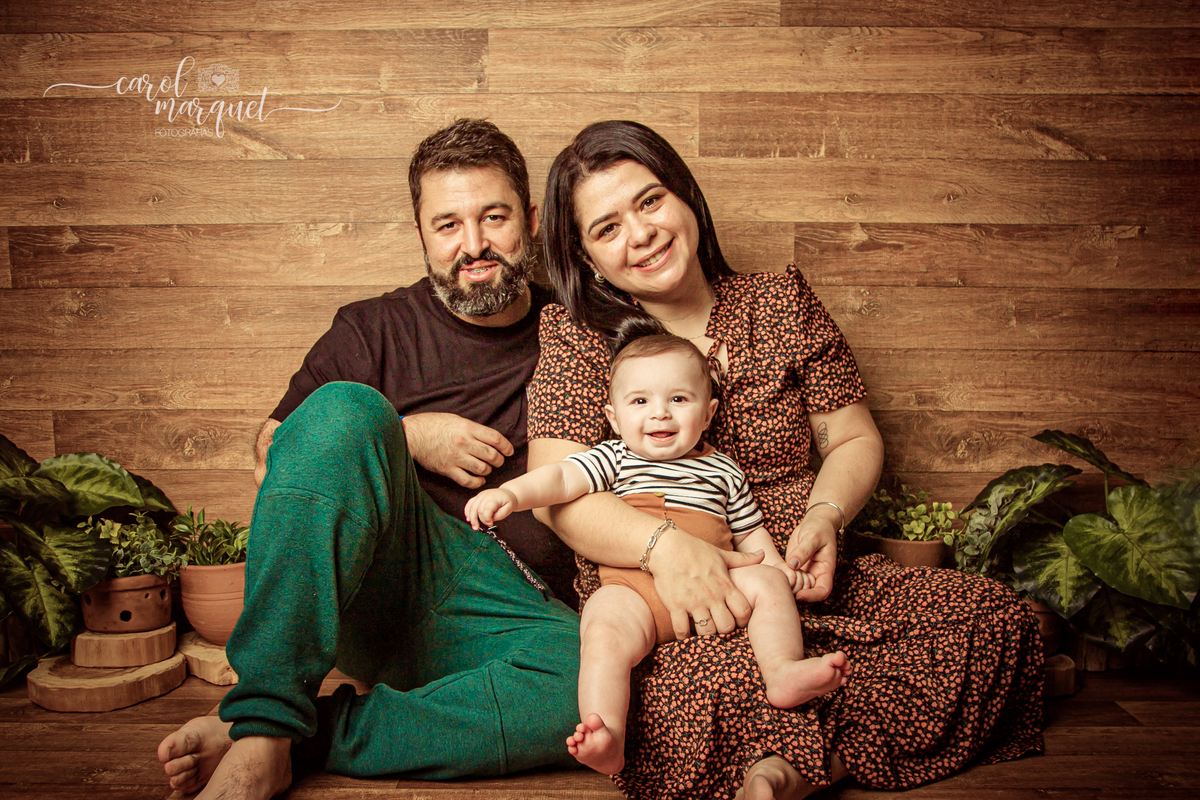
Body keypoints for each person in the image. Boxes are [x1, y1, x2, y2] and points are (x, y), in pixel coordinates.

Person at [528, 120, 1045, 800]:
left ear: (686, 197)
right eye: (607, 227)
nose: (641, 233)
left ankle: (793, 768)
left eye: (650, 201)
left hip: (800, 575)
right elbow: (558, 493)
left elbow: (852, 438)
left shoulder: (780, 301)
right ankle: (785, 765)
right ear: (589, 259)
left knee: (991, 618)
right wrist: (667, 550)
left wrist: (825, 519)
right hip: (670, 601)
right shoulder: (577, 337)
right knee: (691, 689)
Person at [155, 119, 582, 800]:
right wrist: (408, 435)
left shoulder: (578, 329)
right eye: (447, 225)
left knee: (594, 690)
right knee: (343, 408)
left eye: (493, 217)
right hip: (387, 583)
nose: (472, 246)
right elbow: (275, 452)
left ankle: (299, 736)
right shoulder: (373, 328)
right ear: (420, 234)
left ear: (529, 220)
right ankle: (261, 727)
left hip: (515, 614)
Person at [466, 333, 851, 775]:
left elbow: (751, 534)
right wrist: (511, 495)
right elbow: (558, 479)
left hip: (718, 583)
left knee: (765, 583)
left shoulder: (724, 469)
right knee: (603, 627)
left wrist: (783, 570)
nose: (659, 412)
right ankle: (606, 734)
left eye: (679, 398)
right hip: (635, 589)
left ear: (708, 413)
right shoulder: (614, 457)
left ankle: (782, 670)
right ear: (612, 417)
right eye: (639, 401)